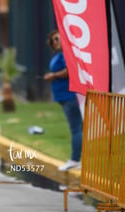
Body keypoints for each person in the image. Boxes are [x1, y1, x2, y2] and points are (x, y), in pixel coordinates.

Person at [44, 30, 83, 171]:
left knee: (76, 128)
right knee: (76, 128)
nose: (55, 42)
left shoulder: (67, 53)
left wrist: (53, 75)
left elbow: (70, 70)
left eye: (57, 39)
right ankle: (76, 158)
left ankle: (75, 159)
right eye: (53, 40)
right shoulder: (59, 55)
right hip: (63, 97)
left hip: (70, 95)